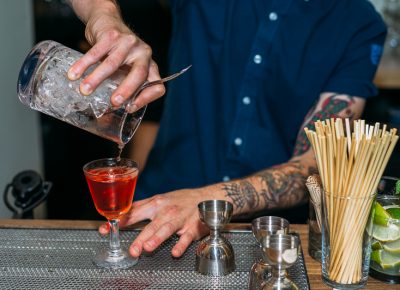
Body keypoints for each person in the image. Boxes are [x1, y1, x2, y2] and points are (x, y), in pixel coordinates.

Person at [67, 0, 386, 258]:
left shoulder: (359, 22)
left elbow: (315, 165)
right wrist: (106, 20)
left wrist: (210, 201)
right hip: (157, 212)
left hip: (267, 240)